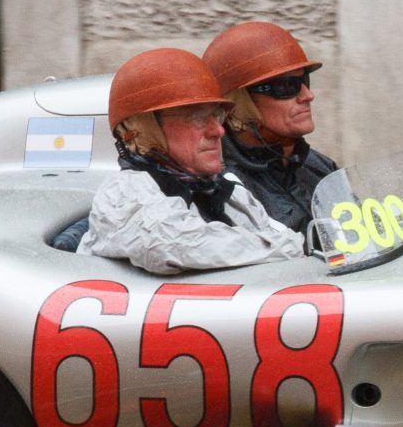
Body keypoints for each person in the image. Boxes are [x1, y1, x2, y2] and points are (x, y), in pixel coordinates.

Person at [79, 48, 305, 275]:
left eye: (217, 116)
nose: (218, 131)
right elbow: (170, 243)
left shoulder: (232, 194)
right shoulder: (122, 194)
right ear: (144, 129)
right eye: (197, 117)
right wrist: (294, 246)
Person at [203, 20, 337, 235]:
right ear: (238, 103)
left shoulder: (319, 166)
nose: (307, 95)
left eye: (304, 80)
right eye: (287, 86)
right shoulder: (225, 189)